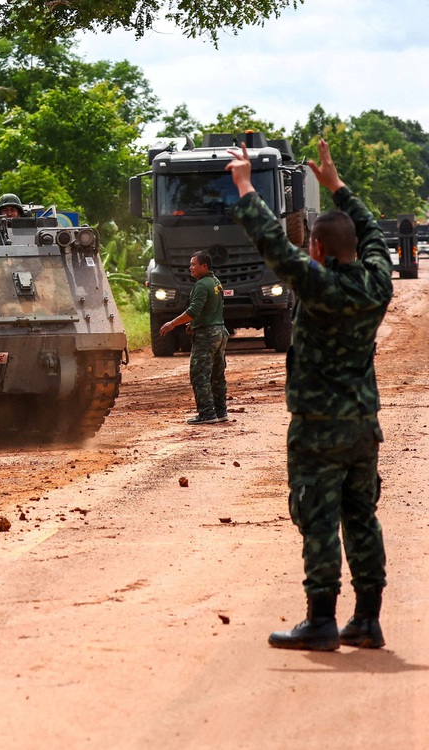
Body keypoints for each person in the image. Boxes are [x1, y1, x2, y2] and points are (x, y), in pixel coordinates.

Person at [227, 139, 392, 651]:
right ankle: (367, 619)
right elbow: (373, 234)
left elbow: (273, 243)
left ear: (316, 248)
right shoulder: (377, 283)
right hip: (363, 426)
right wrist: (338, 187)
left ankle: (321, 621)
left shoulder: (318, 285)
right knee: (361, 518)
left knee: (318, 518)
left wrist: (245, 185)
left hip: (318, 428)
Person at [159, 251, 228, 425]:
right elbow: (212, 308)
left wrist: (173, 324)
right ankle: (221, 412)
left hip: (207, 335)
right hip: (220, 331)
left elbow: (193, 310)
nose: (190, 268)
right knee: (217, 375)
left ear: (204, 266)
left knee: (200, 374)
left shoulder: (202, 284)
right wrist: (194, 324)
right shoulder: (216, 282)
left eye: (193, 264)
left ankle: (207, 414)